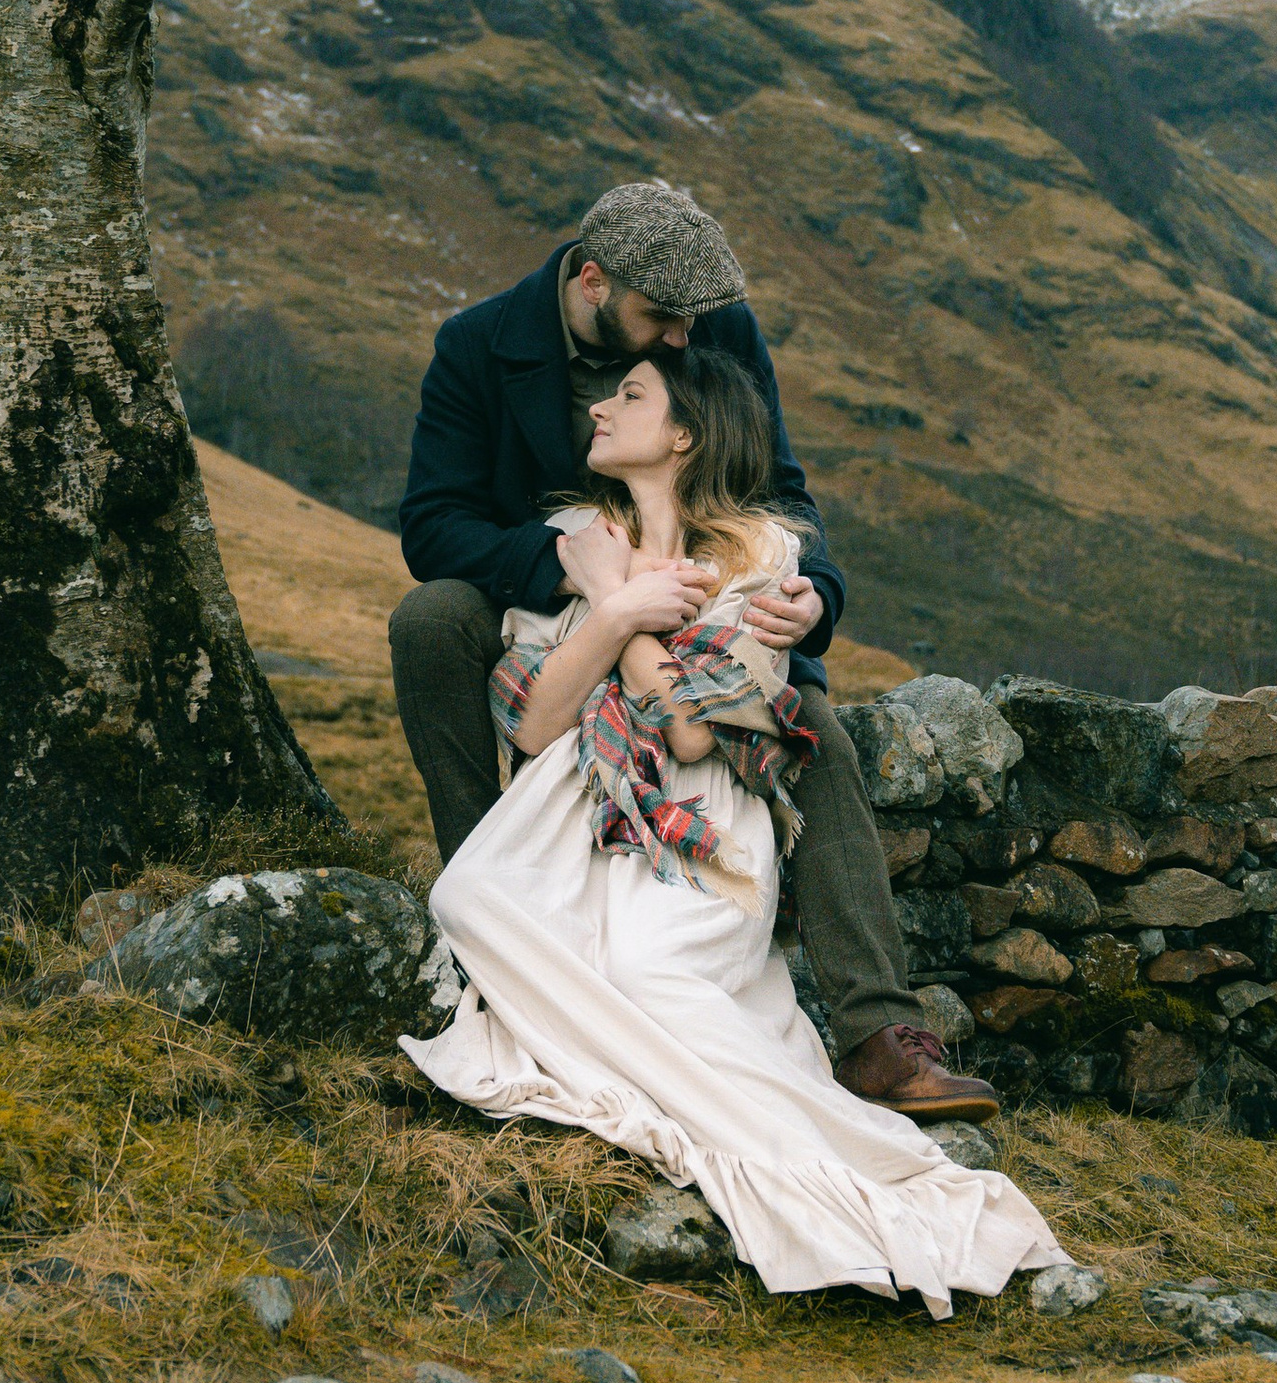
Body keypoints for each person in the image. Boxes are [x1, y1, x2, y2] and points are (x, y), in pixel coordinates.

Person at [402, 342, 1067, 1317]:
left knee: (649, 971)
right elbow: (538, 724)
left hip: (705, 822)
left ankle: (812, 1159)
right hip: (584, 799)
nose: (598, 408)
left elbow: (692, 727)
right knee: (465, 896)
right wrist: (617, 604)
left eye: (629, 395)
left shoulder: (761, 560)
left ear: (682, 434)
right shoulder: (576, 537)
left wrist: (617, 612)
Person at [392, 179, 999, 1120]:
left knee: (814, 731)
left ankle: (880, 1035)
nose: (683, 337)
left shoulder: (714, 324)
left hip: (709, 597)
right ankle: (490, 942)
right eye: (661, 319)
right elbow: (432, 523)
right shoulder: (477, 345)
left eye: (690, 321)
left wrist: (816, 596)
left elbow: (780, 486)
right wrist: (571, 569)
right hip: (548, 600)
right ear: (593, 280)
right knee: (428, 620)